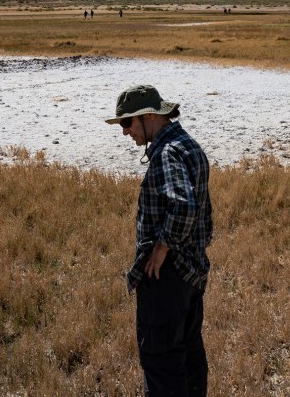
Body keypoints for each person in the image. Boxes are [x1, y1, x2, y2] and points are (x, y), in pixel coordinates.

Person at [106, 85, 212, 396]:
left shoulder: (167, 153)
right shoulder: (187, 144)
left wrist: (161, 249)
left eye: (128, 123)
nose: (125, 132)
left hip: (167, 276)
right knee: (188, 353)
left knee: (161, 360)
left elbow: (184, 205)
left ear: (149, 117)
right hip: (192, 272)